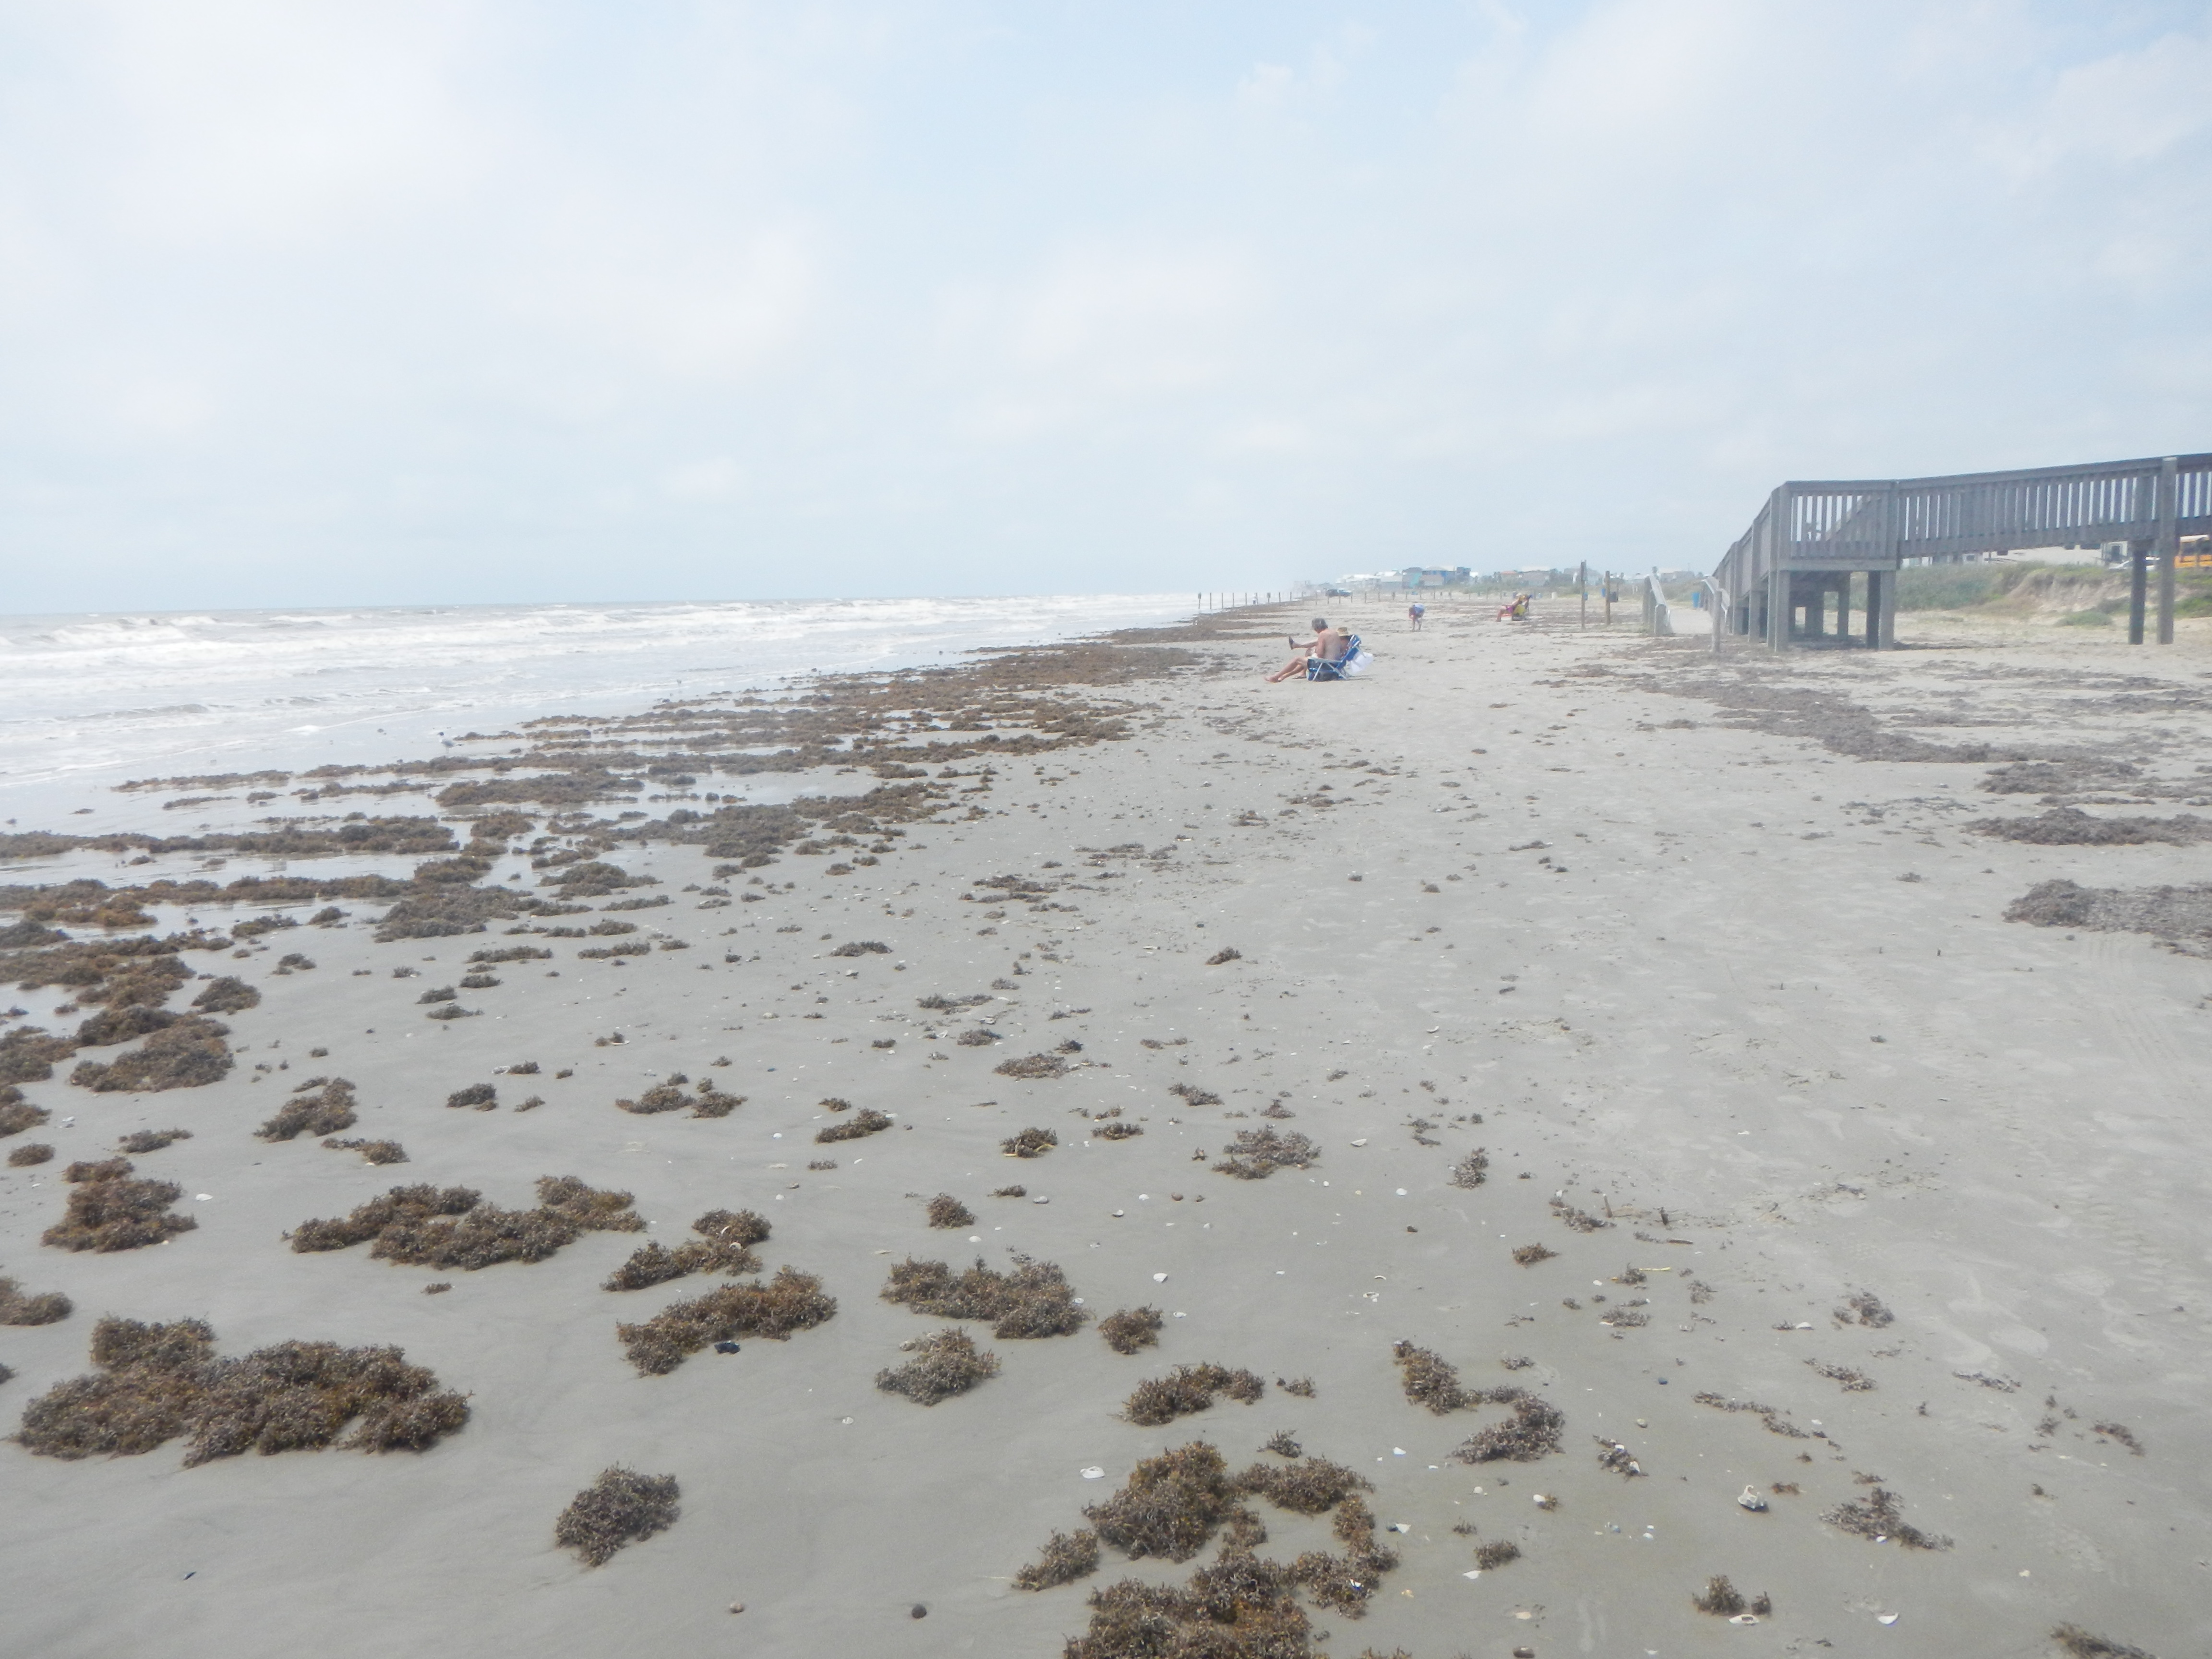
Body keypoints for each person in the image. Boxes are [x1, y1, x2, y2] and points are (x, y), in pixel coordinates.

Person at [1267, 617, 1347, 683]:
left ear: (1317, 628)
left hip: (1326, 665)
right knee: (1306, 657)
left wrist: (1316, 652)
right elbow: (1339, 649)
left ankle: (1276, 677)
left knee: (1297, 659)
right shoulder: (1334, 633)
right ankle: (1284, 676)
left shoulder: (1323, 634)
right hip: (1335, 664)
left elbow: (1320, 654)